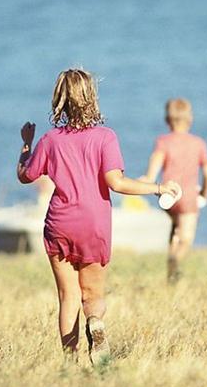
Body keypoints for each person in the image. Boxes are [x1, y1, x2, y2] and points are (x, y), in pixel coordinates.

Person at [17, 69, 180, 365]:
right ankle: (96, 323)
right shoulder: (106, 137)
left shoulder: (50, 140)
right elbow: (117, 183)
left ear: (59, 100)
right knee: (92, 295)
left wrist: (26, 145)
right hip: (94, 226)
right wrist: (158, 188)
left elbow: (25, 176)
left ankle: (70, 363)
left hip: (59, 225)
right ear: (91, 97)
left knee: (68, 297)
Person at [142, 98, 207, 283]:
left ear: (167, 120)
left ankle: (171, 267)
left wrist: (144, 183)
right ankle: (175, 261)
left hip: (169, 196)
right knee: (186, 238)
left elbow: (151, 174)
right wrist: (204, 193)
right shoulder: (198, 143)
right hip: (189, 197)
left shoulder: (163, 142)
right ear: (190, 119)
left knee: (175, 230)